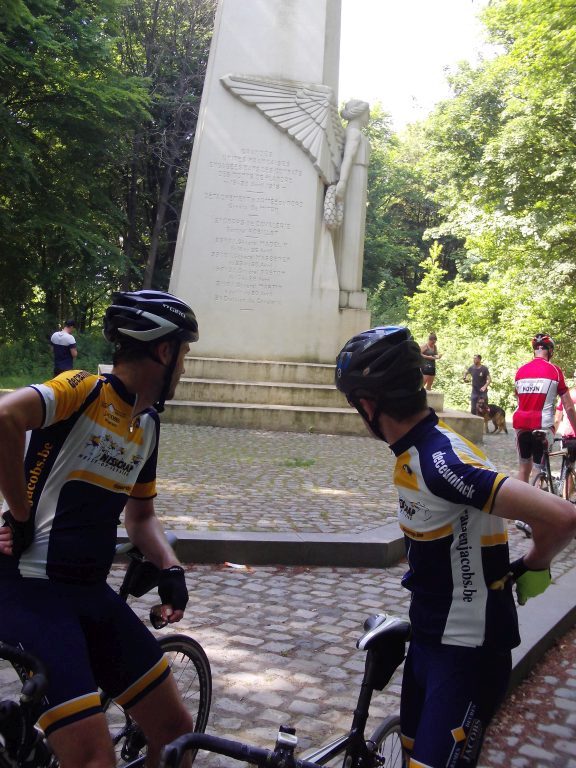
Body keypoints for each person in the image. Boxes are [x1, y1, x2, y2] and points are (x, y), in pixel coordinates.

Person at [335, 325, 576, 768]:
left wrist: (534, 564)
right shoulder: (425, 447)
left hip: (466, 654)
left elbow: (564, 517)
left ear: (368, 406)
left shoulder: (440, 462)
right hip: (429, 639)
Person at [0, 290, 199, 768]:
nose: (187, 368)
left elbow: (141, 516)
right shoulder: (83, 389)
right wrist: (20, 513)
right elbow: (5, 416)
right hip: (32, 589)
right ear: (164, 352)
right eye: (185, 354)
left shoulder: (146, 425)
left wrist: (170, 567)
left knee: (176, 733)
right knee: (94, 758)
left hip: (88, 591)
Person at [512, 333, 576, 484]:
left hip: (520, 425)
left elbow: (519, 399)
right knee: (537, 469)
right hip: (543, 425)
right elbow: (568, 406)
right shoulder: (555, 371)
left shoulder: (520, 371)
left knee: (523, 468)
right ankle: (536, 503)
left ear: (534, 351)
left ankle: (520, 505)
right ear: (550, 351)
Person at [555, 370, 576, 501]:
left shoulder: (566, 395)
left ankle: (565, 501)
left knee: (567, 470)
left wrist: (552, 434)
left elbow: (557, 419)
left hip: (568, 438)